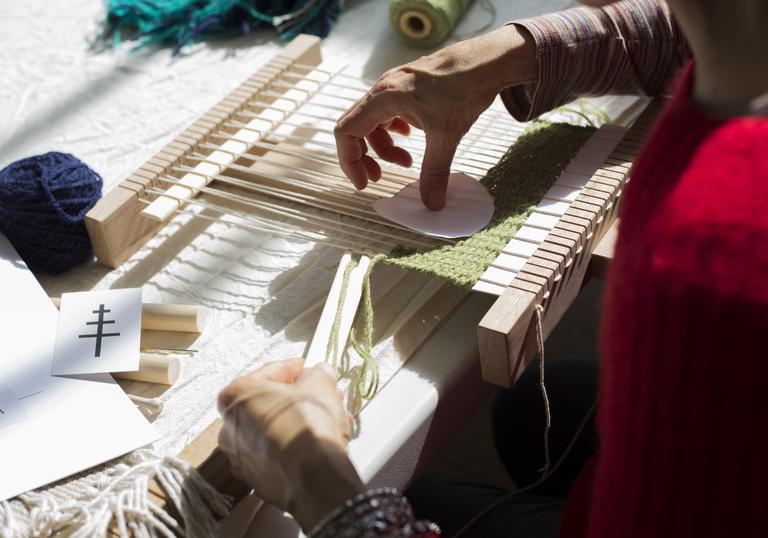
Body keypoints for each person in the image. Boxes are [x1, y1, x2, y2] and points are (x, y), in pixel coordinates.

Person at [217, 0, 768, 535]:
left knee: (400, 485)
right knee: (522, 413)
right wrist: (511, 52)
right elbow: (700, 29)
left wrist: (319, 487)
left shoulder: (725, 269)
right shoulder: (741, 55)